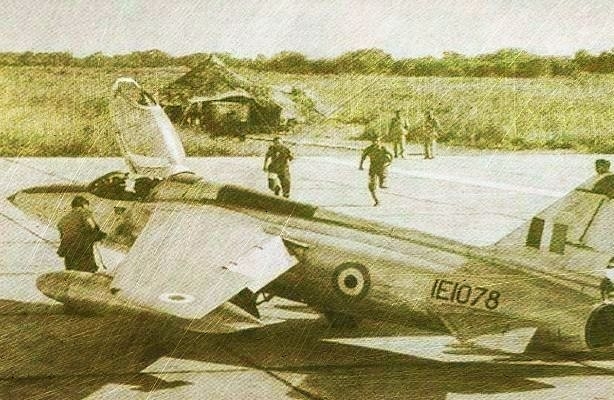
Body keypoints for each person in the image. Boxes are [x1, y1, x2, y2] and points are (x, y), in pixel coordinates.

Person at [57, 195, 106, 273]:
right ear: (82, 205)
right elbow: (92, 226)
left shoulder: (64, 218)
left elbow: (62, 232)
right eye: (87, 205)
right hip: (82, 249)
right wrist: (100, 235)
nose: (88, 208)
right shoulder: (83, 211)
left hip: (68, 251)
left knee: (72, 272)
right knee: (87, 271)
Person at [359, 137, 393, 206]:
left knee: (382, 185)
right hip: (373, 167)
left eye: (377, 141)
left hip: (381, 167)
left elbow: (391, 155)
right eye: (374, 141)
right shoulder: (369, 148)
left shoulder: (383, 148)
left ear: (379, 141)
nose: (375, 142)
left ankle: (383, 182)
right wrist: (361, 165)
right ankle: (377, 201)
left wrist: (388, 163)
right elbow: (363, 156)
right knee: (371, 186)